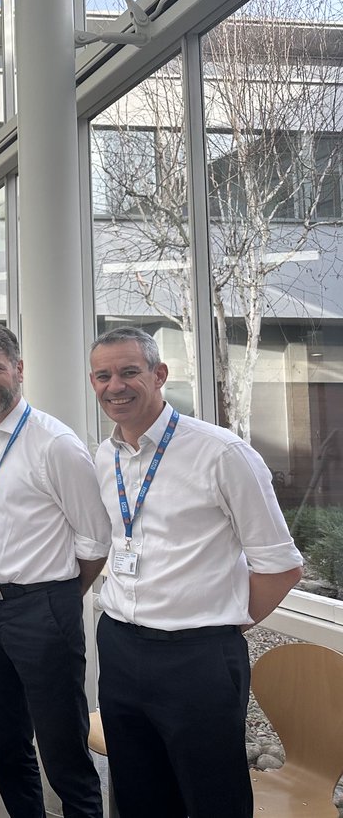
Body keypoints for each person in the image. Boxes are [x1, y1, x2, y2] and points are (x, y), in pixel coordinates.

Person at [88, 326, 304, 818]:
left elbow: (281, 566)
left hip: (197, 658)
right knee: (138, 792)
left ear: (159, 374)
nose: (115, 386)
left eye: (128, 372)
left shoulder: (222, 453)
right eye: (103, 376)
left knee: (212, 798)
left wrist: (220, 623)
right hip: (120, 646)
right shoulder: (104, 456)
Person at [0, 323, 108, 818]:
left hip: (43, 606)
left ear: (18, 370)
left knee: (62, 744)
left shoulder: (54, 443)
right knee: (6, 740)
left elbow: (95, 539)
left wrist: (57, 594)